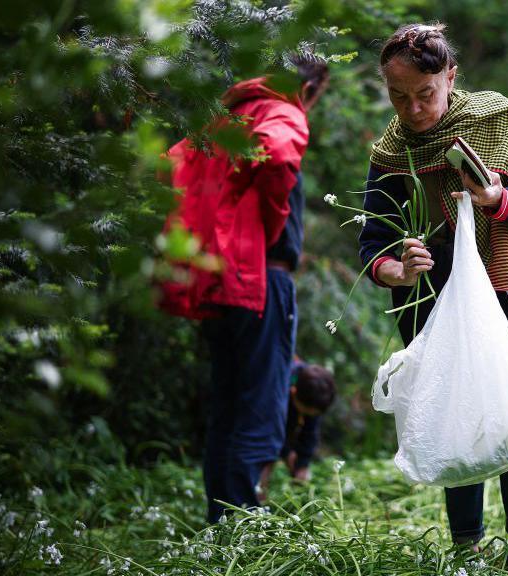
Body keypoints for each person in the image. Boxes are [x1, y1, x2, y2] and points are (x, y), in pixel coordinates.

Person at [357, 23, 508, 565]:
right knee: (456, 413)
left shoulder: (495, 123)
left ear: (450, 77)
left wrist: (499, 198)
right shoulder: (389, 153)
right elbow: (373, 243)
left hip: (507, 289)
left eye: (425, 94)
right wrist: (398, 270)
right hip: (433, 300)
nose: (413, 109)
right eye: (398, 97)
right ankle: (465, 547)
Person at [161, 52, 329, 523]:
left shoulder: (227, 118)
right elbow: (276, 158)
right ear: (311, 88)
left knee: (229, 403)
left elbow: (171, 163)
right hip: (261, 278)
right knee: (262, 407)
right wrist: (271, 224)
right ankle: (243, 525)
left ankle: (222, 519)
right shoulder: (284, 110)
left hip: (218, 277)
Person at [257, 362, 336, 497]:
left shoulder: (316, 394)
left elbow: (310, 431)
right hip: (264, 425)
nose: (309, 416)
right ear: (293, 392)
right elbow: (273, 430)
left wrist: (302, 464)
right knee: (266, 458)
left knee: (299, 469)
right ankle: (256, 500)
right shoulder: (278, 387)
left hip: (286, 422)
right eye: (306, 412)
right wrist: (287, 452)